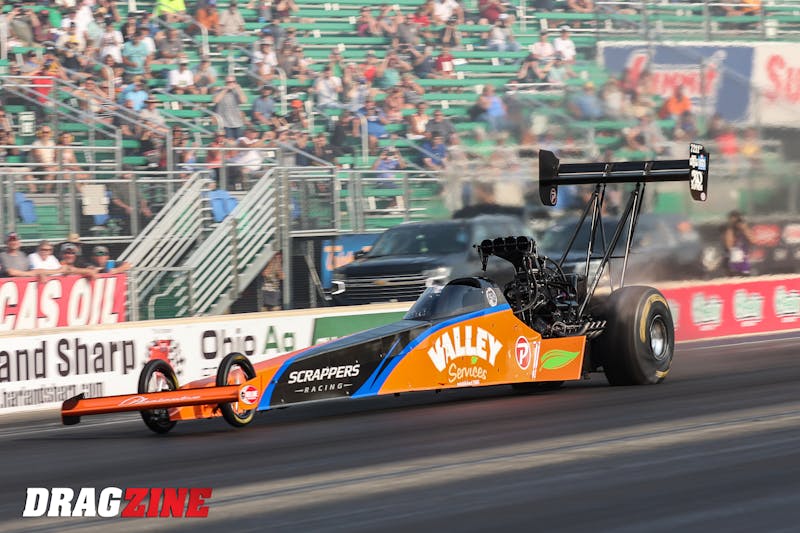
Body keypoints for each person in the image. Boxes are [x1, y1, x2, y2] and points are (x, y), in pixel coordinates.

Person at [724, 211, 755, 276]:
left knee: (745, 275)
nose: (735, 223)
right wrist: (731, 229)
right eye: (732, 221)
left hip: (744, 261)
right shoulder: (729, 231)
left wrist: (744, 228)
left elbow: (753, 240)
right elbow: (729, 246)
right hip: (733, 261)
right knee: (734, 275)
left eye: (737, 220)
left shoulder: (745, 229)